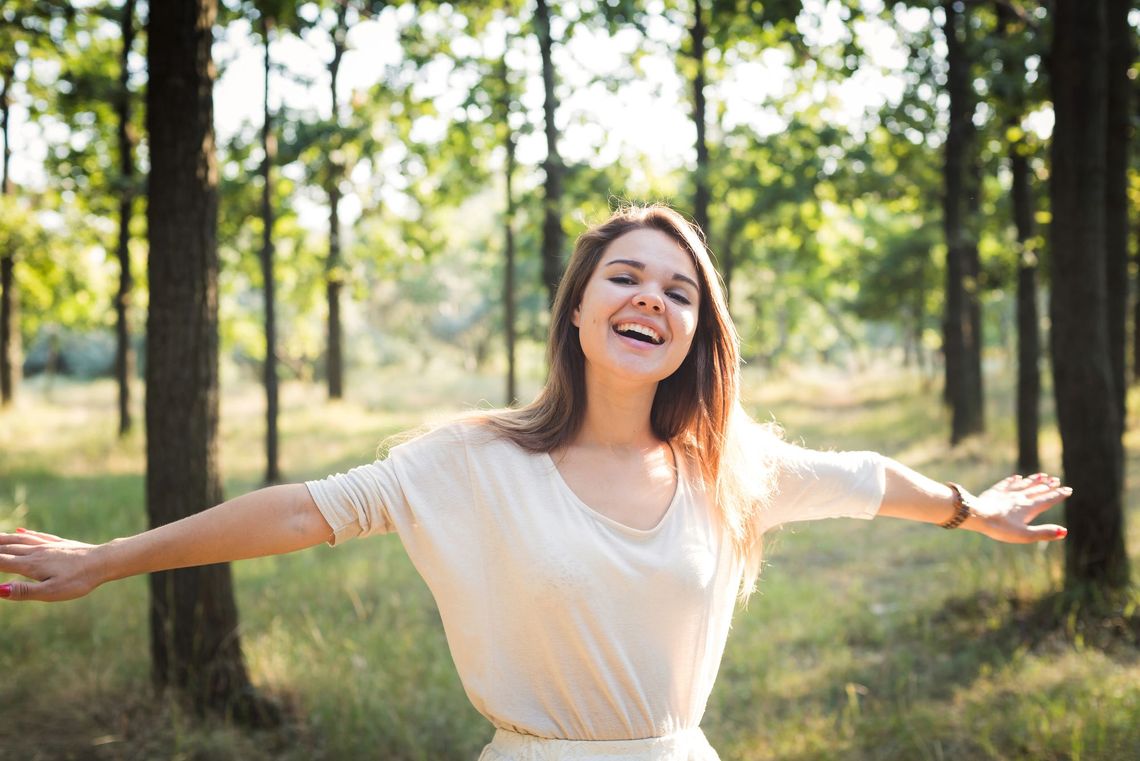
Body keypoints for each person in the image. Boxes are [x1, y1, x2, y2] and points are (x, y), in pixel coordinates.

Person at [0, 204, 1069, 760]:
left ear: (698, 331)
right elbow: (302, 508)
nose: (652, 297)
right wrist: (108, 557)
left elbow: (872, 477)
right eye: (627, 276)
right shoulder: (474, 460)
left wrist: (972, 510)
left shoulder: (730, 464)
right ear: (578, 305)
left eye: (680, 290)